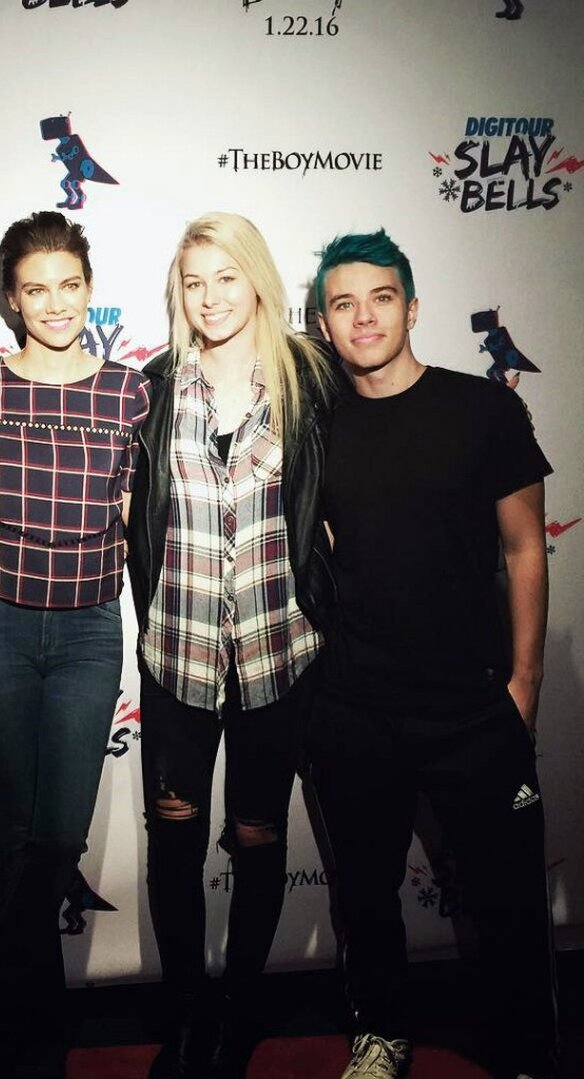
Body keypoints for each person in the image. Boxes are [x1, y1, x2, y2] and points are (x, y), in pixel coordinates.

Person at [308, 229, 558, 1079]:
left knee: (510, 898)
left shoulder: (483, 410)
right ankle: (381, 1030)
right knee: (365, 892)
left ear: (412, 308)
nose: (363, 317)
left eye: (380, 298)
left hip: (473, 706)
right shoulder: (315, 425)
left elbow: (526, 548)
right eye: (344, 303)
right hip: (354, 705)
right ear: (323, 322)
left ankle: (526, 1052)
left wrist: (524, 683)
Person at [125, 212, 338, 1079]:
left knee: (257, 835)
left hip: (276, 653)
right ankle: (184, 1014)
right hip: (177, 650)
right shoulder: (153, 387)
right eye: (193, 281)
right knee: (175, 837)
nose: (209, 297)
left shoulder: (309, 378)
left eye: (225, 277)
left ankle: (240, 1013)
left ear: (256, 280)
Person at [0, 210, 150, 1079]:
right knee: (17, 830)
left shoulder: (130, 391)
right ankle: (31, 1034)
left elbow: (138, 511)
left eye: (69, 285)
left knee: (56, 834)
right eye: (37, 289)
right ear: (11, 298)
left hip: (86, 628)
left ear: (90, 289)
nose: (56, 303)